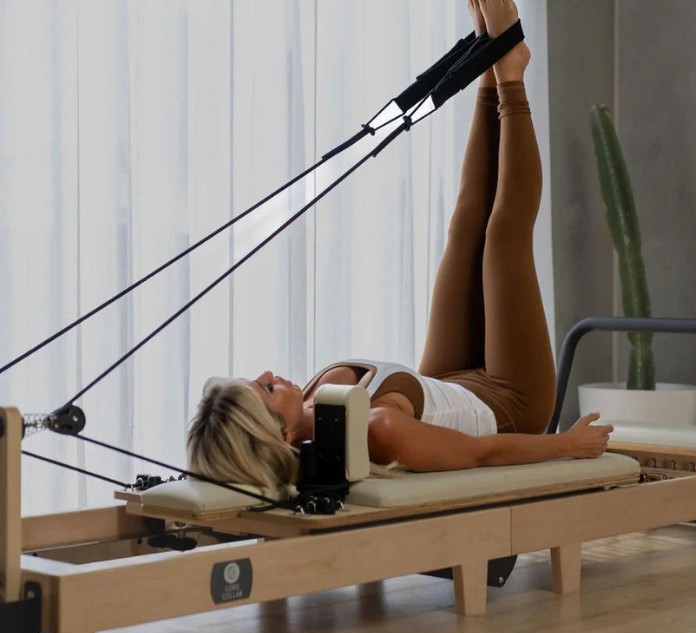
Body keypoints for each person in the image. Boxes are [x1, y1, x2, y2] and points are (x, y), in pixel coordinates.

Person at [187, 0, 613, 491]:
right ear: (281, 434)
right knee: (502, 240)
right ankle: (511, 75)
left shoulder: (311, 402)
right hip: (511, 403)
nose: (267, 373)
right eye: (264, 389)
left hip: (448, 380)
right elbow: (480, 452)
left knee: (463, 228)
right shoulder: (376, 432)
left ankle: (489, 69)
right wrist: (566, 444)